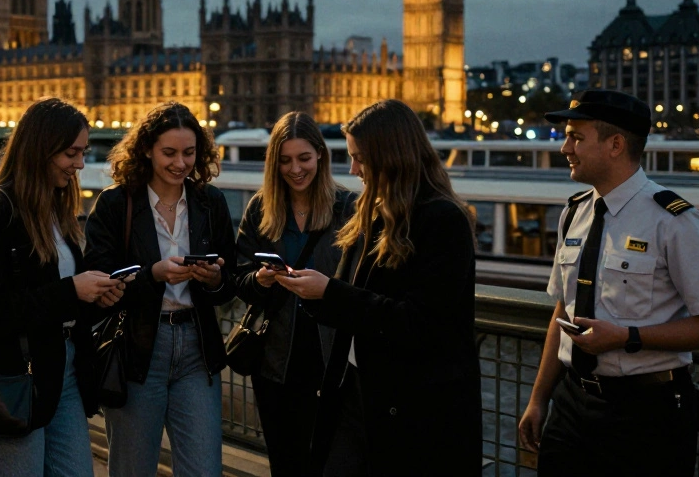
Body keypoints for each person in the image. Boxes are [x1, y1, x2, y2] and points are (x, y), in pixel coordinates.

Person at [518, 89, 699, 477]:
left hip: (647, 411)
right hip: (572, 403)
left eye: (576, 137)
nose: (565, 147)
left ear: (616, 144)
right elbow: (563, 311)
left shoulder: (673, 220)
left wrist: (627, 336)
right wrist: (539, 399)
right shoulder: (575, 213)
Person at [275, 99, 481, 476]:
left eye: (360, 158)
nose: (353, 170)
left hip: (411, 405)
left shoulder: (443, 220)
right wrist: (313, 292)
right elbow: (349, 295)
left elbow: (424, 323)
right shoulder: (371, 210)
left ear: (393, 155)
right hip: (357, 391)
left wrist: (329, 292)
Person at [0, 97, 128, 477]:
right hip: (12, 379)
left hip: (63, 372)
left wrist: (99, 297)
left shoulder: (56, 212)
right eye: (71, 153)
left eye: (83, 152)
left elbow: (60, 300)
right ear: (40, 148)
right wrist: (71, 291)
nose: (80, 164)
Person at [84, 101, 238, 477]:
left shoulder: (209, 202)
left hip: (196, 349)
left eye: (189, 153)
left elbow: (230, 282)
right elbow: (98, 284)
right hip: (137, 348)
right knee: (133, 468)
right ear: (147, 149)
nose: (180, 163)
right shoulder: (115, 204)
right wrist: (152, 275)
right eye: (169, 153)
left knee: (204, 469)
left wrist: (215, 279)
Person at [232, 112, 356, 476]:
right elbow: (239, 278)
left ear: (320, 155)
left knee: (330, 464)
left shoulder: (347, 208)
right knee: (285, 463)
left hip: (330, 358)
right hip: (276, 359)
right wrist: (260, 280)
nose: (295, 169)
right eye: (284, 160)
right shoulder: (260, 208)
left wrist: (327, 289)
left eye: (304, 158)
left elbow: (360, 285)